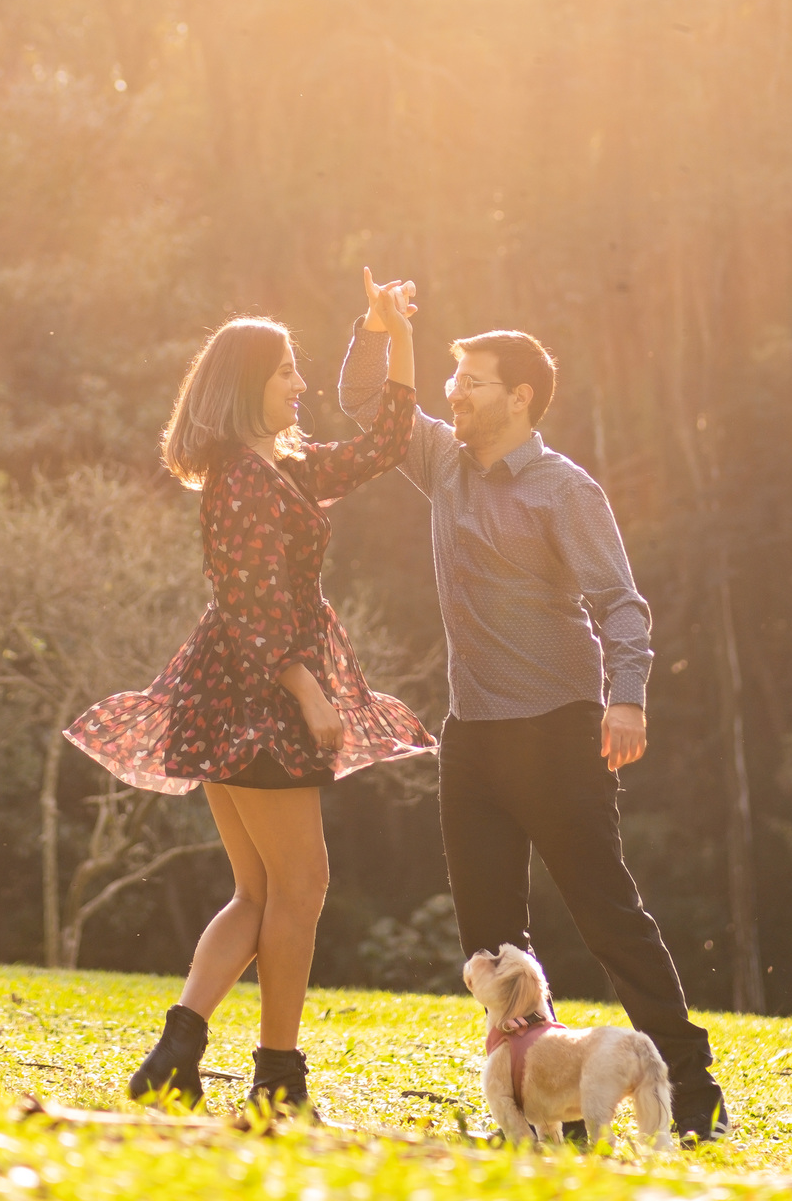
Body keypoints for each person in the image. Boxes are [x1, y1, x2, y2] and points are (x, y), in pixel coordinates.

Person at [338, 271, 729, 1142]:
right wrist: (381, 329)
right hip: (471, 737)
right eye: (451, 381)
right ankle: (534, 1107)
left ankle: (692, 1089)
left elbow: (622, 606)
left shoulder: (564, 490)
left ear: (518, 397)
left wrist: (625, 703)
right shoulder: (440, 460)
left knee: (606, 917)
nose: (452, 394)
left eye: (469, 382)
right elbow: (366, 399)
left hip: (557, 730)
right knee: (489, 948)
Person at [66, 293, 434, 1115]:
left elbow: (385, 445)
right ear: (247, 386)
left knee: (261, 892)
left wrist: (393, 337)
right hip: (256, 697)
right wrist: (307, 691)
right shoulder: (240, 481)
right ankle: (275, 1075)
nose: (299, 385)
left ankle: (177, 1054)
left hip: (236, 693)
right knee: (301, 886)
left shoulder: (283, 466)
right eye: (286, 372)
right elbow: (248, 600)